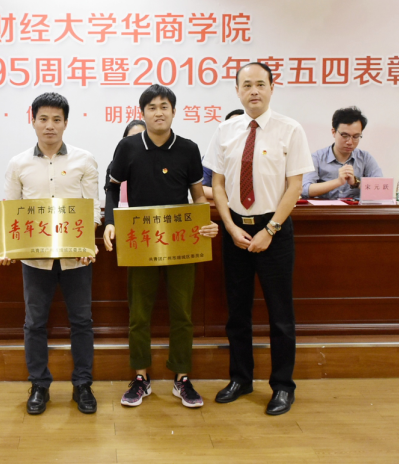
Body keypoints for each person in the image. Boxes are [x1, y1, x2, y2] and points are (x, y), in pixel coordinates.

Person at [204, 62, 314, 415]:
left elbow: (294, 187)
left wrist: (270, 230)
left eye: (260, 84)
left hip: (274, 230)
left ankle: (282, 386)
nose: (254, 91)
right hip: (235, 229)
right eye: (247, 85)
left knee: (280, 314)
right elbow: (217, 184)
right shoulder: (225, 130)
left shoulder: (290, 129)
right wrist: (229, 226)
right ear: (237, 91)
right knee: (237, 312)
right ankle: (241, 378)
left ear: (271, 88)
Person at [103, 84, 218, 409]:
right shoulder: (128, 147)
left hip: (181, 241)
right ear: (142, 113)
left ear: (173, 111)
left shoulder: (188, 148)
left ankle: (182, 377)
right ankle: (141, 377)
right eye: (151, 107)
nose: (158, 112)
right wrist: (110, 220)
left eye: (164, 106)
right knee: (139, 314)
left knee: (182, 313)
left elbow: (198, 195)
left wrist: (206, 221)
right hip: (141, 241)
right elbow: (111, 188)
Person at [0, 92, 101, 415]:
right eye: (43, 119)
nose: (50, 125)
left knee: (81, 322)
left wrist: (88, 242)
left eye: (56, 119)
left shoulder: (84, 160)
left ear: (66, 123)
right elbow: (11, 212)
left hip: (76, 258)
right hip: (35, 259)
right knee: (35, 323)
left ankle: (82, 385)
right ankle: (39, 385)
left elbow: (93, 209)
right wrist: (4, 245)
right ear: (33, 121)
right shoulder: (18, 164)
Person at [302, 106, 382, 199]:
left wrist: (356, 183)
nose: (350, 142)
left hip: (355, 208)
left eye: (356, 136)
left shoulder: (365, 158)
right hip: (325, 208)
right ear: (333, 132)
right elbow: (305, 189)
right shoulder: (317, 158)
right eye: (345, 135)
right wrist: (338, 182)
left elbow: (381, 189)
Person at [203, 109, 244, 200]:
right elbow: (203, 189)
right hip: (220, 205)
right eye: (231, 126)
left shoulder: (258, 156)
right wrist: (228, 195)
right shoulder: (213, 156)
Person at [103, 119, 146, 195]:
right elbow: (110, 192)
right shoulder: (114, 166)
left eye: (140, 138)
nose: (136, 142)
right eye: (132, 138)